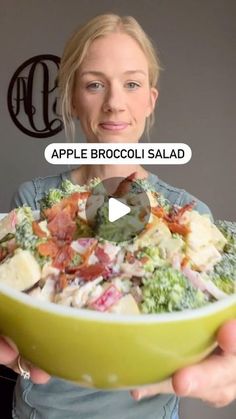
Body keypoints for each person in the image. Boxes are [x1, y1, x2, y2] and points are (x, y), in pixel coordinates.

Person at [1, 13, 236, 418]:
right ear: (73, 98)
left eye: (131, 84)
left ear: (150, 99)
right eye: (95, 84)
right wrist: (21, 358)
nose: (114, 102)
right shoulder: (33, 202)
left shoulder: (192, 216)